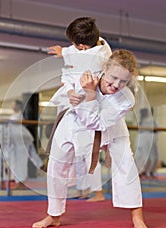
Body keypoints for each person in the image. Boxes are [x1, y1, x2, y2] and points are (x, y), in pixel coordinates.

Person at [32, 50, 154, 228]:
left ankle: (138, 219)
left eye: (123, 81)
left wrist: (89, 94)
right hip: (73, 123)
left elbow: (96, 123)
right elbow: (67, 77)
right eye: (113, 77)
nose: (116, 85)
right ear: (104, 68)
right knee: (57, 164)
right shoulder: (88, 74)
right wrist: (71, 92)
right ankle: (54, 215)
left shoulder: (126, 98)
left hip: (110, 129)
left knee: (126, 166)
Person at [47, 16, 111, 200]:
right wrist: (68, 91)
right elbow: (66, 75)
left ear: (82, 46)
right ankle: (83, 189)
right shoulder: (92, 45)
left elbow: (79, 58)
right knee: (77, 152)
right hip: (72, 104)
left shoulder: (100, 56)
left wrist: (64, 52)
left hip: (89, 107)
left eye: (74, 44)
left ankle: (97, 191)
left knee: (90, 150)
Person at [5, 99, 44, 190]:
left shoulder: (19, 115)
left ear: (18, 106)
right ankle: (43, 166)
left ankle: (22, 183)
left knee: (21, 161)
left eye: (13, 104)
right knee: (31, 156)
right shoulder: (14, 116)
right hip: (19, 139)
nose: (12, 106)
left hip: (22, 139)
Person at [135, 108, 159, 179]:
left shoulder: (153, 122)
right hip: (142, 139)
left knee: (152, 156)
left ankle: (149, 171)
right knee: (140, 156)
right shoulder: (140, 121)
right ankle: (141, 171)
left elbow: (156, 130)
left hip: (150, 139)